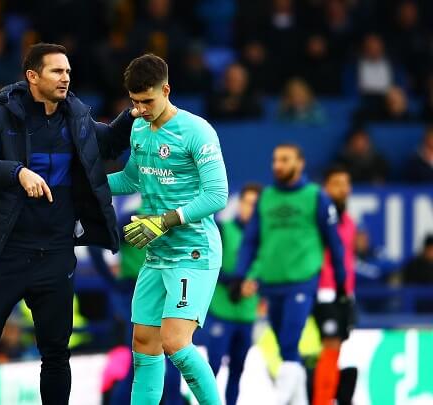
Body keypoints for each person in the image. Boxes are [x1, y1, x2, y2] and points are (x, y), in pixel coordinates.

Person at [0, 43, 136, 404]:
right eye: (56, 71)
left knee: (56, 355)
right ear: (32, 77)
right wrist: (17, 172)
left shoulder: (79, 119)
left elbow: (112, 146)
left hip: (55, 254)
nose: (65, 77)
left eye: (68, 71)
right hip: (4, 253)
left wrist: (132, 114)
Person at [107, 54, 228, 405]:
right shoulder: (139, 128)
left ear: (166, 90)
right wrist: (86, 185)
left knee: (175, 341)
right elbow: (132, 178)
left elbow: (217, 194)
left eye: (147, 101)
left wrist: (164, 221)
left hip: (194, 252)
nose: (140, 109)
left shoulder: (197, 130)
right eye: (134, 102)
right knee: (144, 342)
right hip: (156, 254)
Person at [231, 144, 348, 405]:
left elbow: (335, 244)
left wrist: (341, 285)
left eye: (285, 160)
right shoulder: (267, 197)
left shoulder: (316, 196)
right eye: (275, 160)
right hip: (271, 284)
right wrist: (241, 276)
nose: (277, 165)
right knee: (287, 350)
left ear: (300, 163)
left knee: (289, 338)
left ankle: (278, 401)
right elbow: (251, 241)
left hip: (302, 282)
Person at [206, 183, 262, 405]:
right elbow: (209, 264)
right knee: (212, 367)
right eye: (248, 203)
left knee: (238, 370)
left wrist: (256, 283)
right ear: (240, 204)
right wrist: (236, 283)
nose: (251, 209)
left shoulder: (264, 238)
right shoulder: (223, 229)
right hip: (222, 311)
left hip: (247, 315)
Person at [312, 166, 357, 405]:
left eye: (346, 183)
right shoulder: (318, 219)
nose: (343, 189)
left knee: (335, 347)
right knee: (329, 346)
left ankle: (327, 398)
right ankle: (321, 400)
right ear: (326, 188)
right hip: (323, 289)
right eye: (337, 183)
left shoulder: (349, 221)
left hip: (343, 291)